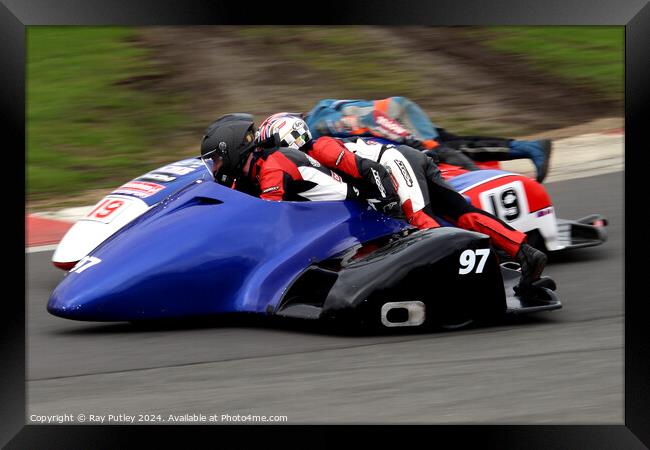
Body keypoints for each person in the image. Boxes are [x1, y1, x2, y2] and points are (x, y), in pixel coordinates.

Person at [257, 112, 548, 291]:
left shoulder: (320, 147)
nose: (269, 156)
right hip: (407, 159)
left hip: (396, 164)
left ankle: (470, 279)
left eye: (270, 146)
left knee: (423, 224)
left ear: (286, 139)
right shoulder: (315, 153)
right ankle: (524, 251)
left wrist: (390, 203)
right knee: (462, 212)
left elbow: (370, 170)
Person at [304, 96, 553, 183]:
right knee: (457, 142)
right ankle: (528, 148)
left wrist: (413, 142)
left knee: (442, 150)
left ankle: (482, 182)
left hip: (394, 119)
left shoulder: (320, 125)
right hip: (395, 116)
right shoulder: (314, 122)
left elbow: (373, 119)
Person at [199, 113, 403, 219]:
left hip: (357, 213)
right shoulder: (255, 166)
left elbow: (267, 217)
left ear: (232, 151)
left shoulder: (273, 166)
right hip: (333, 214)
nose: (215, 168)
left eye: (216, 160)